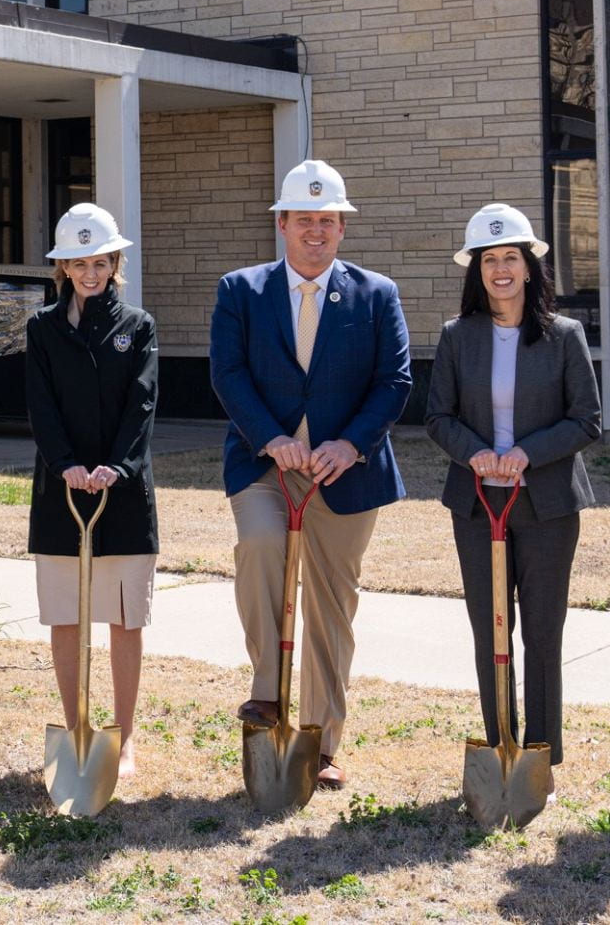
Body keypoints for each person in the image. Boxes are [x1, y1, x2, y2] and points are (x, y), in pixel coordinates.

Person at [209, 158, 411, 792]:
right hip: (264, 463)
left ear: (342, 228)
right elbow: (228, 374)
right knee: (263, 546)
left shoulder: (377, 294)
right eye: (304, 220)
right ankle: (268, 694)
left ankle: (321, 741)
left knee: (330, 603)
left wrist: (350, 446)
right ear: (282, 224)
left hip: (345, 472)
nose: (316, 231)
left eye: (328, 221)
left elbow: (394, 381)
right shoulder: (240, 290)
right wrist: (269, 439)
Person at [425, 202, 601, 782]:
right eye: (489, 260)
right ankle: (498, 743)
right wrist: (474, 451)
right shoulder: (457, 336)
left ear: (529, 267)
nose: (500, 269)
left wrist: (528, 453)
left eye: (511, 258)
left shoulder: (564, 335)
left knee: (542, 631)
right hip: (477, 504)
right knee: (490, 627)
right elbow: (437, 417)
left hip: (547, 504)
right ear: (475, 271)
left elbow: (586, 421)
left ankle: (540, 754)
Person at [25, 203, 159, 777]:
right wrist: (65, 465)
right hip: (61, 492)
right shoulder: (42, 328)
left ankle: (124, 739)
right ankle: (77, 728)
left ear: (114, 263)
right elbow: (41, 404)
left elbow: (143, 405)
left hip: (123, 494)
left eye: (99, 261)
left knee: (125, 618)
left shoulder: (138, 327)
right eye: (78, 263)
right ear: (63, 267)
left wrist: (117, 468)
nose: (90, 273)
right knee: (66, 616)